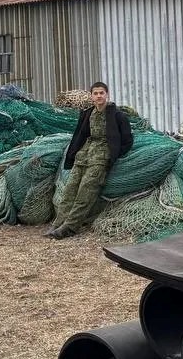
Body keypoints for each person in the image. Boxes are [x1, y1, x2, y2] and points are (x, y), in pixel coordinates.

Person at [47, 81, 134, 240]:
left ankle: (69, 227)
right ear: (91, 96)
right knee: (69, 190)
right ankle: (58, 223)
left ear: (107, 95)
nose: (99, 96)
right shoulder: (88, 113)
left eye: (102, 93)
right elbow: (80, 135)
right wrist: (74, 153)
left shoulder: (118, 115)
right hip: (84, 156)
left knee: (85, 192)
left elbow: (127, 140)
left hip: (100, 157)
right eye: (95, 93)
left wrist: (113, 154)